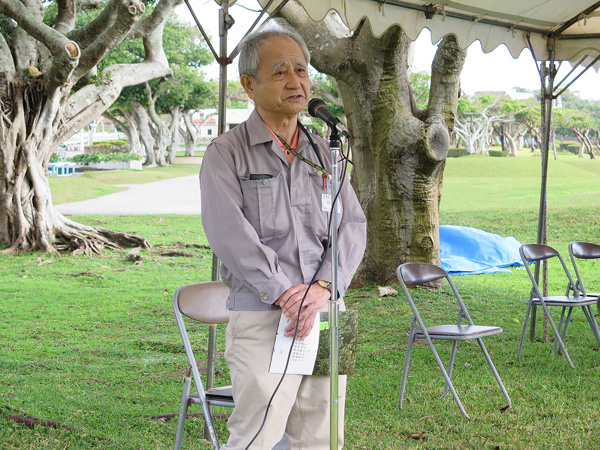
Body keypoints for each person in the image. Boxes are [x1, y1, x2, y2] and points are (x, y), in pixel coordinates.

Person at [199, 19, 367, 450]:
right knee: (256, 436)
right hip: (262, 316)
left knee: (325, 435)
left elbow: (352, 224)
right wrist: (286, 293)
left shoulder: (324, 151)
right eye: (280, 72)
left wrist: (324, 288)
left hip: (326, 313)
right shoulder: (226, 153)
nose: (296, 81)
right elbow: (228, 233)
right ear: (248, 84)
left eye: (302, 70)